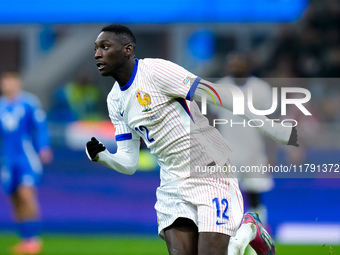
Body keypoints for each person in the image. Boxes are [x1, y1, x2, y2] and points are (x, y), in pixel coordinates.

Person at [85, 24, 298, 255]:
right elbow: (129, 162)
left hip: (209, 170)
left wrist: (273, 129)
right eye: (96, 48)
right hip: (172, 183)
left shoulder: (155, 71)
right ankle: (238, 242)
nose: (97, 54)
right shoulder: (115, 101)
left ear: (127, 50)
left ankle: (249, 228)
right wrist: (102, 156)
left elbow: (219, 94)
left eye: (105, 47)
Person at [210, 52, 275, 225]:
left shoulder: (261, 88)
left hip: (255, 152)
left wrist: (271, 153)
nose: (234, 66)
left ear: (249, 65)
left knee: (255, 196)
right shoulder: (219, 87)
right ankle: (230, 236)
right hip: (227, 153)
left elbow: (271, 123)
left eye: (238, 62)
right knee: (228, 196)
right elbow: (210, 121)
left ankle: (259, 239)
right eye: (232, 62)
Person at [0, 71, 53, 254]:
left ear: (18, 83)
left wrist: (44, 147)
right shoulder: (1, 106)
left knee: (26, 194)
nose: (9, 85)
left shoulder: (29, 103)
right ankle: (25, 239)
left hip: (26, 158)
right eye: (6, 82)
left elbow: (40, 127)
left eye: (12, 82)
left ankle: (34, 239)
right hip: (7, 161)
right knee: (14, 199)